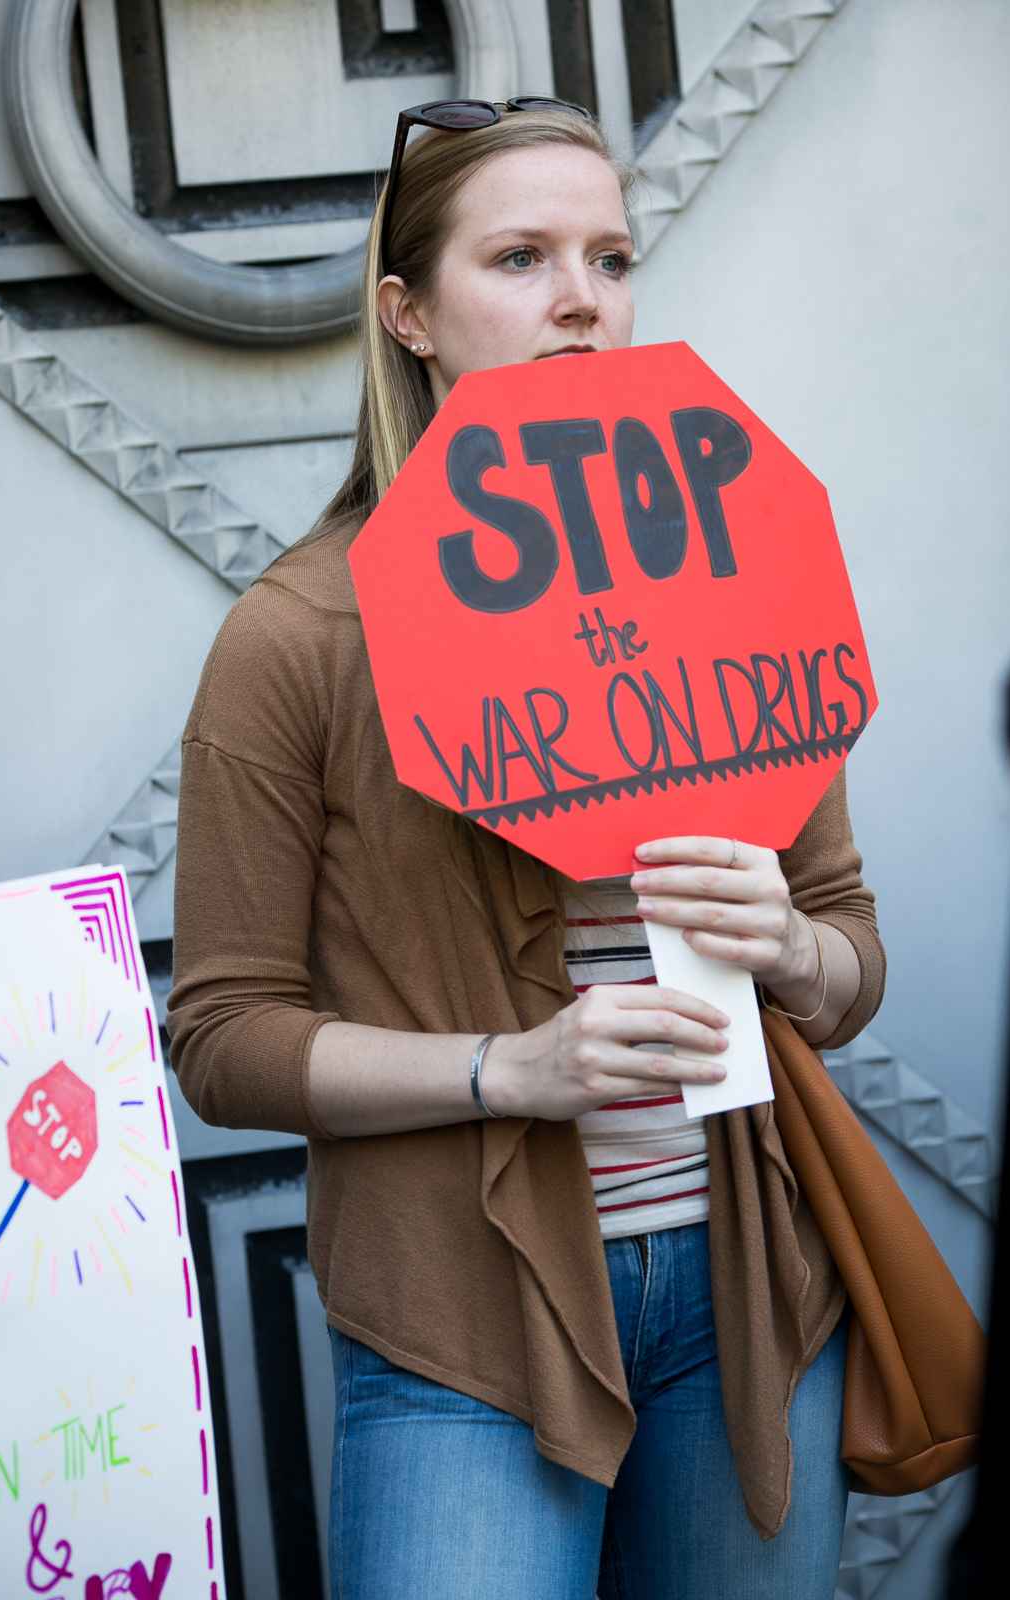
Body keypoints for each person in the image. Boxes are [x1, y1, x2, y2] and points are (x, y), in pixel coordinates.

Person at [168, 99, 885, 1599]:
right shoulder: (298, 637)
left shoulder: (738, 569)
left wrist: (793, 945)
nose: (584, 297)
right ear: (408, 313)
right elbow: (226, 1042)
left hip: (750, 1296)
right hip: (463, 1328)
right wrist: (514, 1070)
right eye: (522, 256)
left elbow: (846, 956)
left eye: (612, 257)